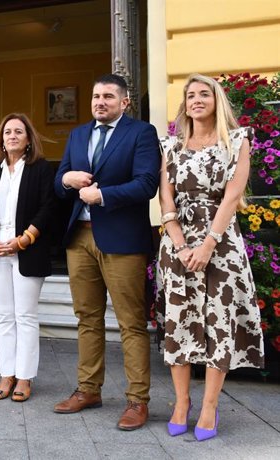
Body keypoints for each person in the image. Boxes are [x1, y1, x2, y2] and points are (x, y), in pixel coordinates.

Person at [156, 73, 264, 441]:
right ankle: (182, 403)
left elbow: (233, 197)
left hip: (221, 246)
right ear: (184, 104)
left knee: (218, 324)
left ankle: (209, 407)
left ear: (217, 101)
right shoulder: (170, 146)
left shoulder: (236, 140)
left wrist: (206, 245)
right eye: (190, 95)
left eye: (204, 94)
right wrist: (183, 245)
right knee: (178, 322)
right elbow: (166, 199)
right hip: (177, 244)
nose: (197, 99)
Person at [53, 74, 160, 431]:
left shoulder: (141, 133)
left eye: (109, 97)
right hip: (79, 239)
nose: (100, 102)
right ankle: (88, 389)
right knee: (87, 318)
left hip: (122, 238)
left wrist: (104, 196)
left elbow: (147, 183)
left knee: (130, 322)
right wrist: (67, 180)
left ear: (124, 102)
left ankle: (137, 400)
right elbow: (61, 178)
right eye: (96, 96)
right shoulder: (78, 134)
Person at [0, 113, 56, 402]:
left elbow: (48, 208)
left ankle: (24, 377)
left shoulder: (41, 169)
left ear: (28, 138)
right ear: (2, 139)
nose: (12, 136)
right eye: (7, 131)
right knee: (4, 316)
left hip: (27, 250)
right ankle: (6, 374)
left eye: (18, 131)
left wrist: (24, 240)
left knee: (25, 315)